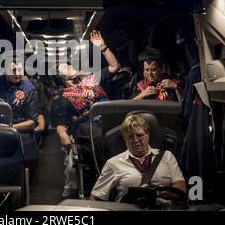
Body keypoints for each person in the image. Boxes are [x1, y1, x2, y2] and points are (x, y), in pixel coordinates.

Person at [53, 30, 121, 197]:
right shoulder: (63, 99)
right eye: (67, 68)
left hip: (110, 119)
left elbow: (114, 67)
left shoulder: (91, 79)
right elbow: (61, 126)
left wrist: (103, 48)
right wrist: (63, 135)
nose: (72, 68)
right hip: (88, 128)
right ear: (64, 79)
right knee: (97, 137)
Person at [90, 114, 186, 204]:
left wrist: (156, 193)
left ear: (148, 134)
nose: (135, 140)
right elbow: (96, 196)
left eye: (139, 135)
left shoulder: (166, 157)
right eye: (130, 137)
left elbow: (181, 188)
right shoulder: (113, 163)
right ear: (125, 139)